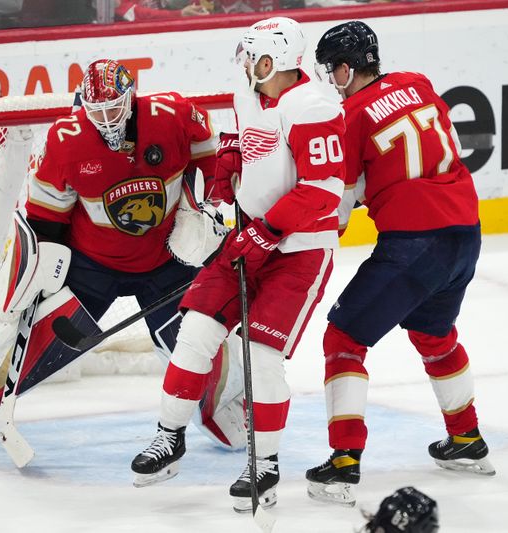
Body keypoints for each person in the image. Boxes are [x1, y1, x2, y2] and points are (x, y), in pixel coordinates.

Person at [131, 17, 346, 513]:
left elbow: (323, 190)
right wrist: (226, 177)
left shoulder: (313, 106)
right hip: (251, 239)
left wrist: (267, 232)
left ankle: (264, 464)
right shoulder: (249, 95)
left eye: (254, 57)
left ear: (277, 61)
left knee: (262, 358)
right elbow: (245, 148)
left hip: (299, 252)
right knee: (195, 332)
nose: (245, 64)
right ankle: (169, 439)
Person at [10, 58, 247, 451]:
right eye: (96, 110)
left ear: (131, 96)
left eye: (114, 106)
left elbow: (211, 156)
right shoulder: (66, 139)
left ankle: (228, 414)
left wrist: (203, 205)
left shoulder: (172, 113)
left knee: (197, 347)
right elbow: (46, 214)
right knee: (37, 346)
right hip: (91, 267)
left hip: (168, 262)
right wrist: (41, 271)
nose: (106, 118)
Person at [306, 20, 494, 506]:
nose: (330, 78)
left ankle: (344, 463)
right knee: (433, 332)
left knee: (343, 339)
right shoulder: (416, 82)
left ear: (347, 69)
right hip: (465, 235)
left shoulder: (349, 116)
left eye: (332, 70)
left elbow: (341, 208)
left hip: (416, 243)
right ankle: (467, 438)